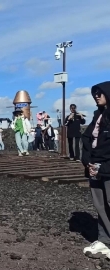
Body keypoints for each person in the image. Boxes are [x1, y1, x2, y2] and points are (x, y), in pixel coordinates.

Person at [81, 81, 110, 258]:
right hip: (94, 166)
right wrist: (87, 162)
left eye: (100, 93)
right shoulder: (97, 116)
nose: (96, 96)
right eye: (95, 94)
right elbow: (86, 139)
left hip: (107, 166)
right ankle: (105, 240)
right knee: (100, 205)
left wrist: (103, 167)